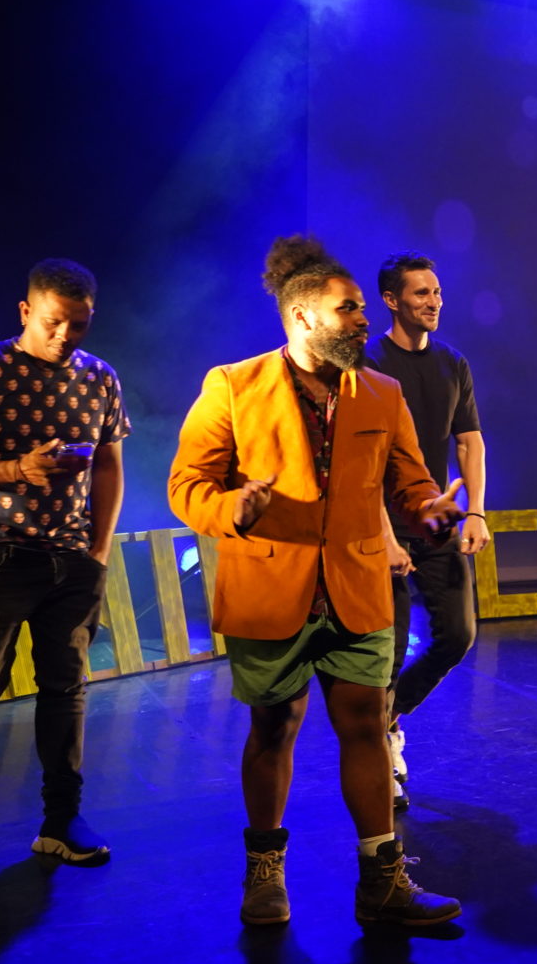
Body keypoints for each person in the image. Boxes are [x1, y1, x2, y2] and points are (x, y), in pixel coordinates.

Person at [169, 235, 464, 927]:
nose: (364, 321)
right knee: (274, 727)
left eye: (362, 308)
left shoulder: (382, 392)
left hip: (356, 589)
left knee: (365, 724)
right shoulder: (233, 386)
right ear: (302, 317)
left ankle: (382, 881)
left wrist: (429, 512)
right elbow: (187, 486)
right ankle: (264, 872)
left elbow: (411, 483)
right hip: (272, 590)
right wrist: (233, 508)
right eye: (349, 309)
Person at [0, 259, 129, 862]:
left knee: (66, 690)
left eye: (78, 324)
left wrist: (99, 548)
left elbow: (109, 465)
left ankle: (61, 819)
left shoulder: (100, 378)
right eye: (52, 322)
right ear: (25, 311)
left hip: (71, 559)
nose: (64, 335)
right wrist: (17, 468)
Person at [362, 252, 488, 807]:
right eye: (421, 293)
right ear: (392, 301)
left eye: (436, 292)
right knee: (386, 653)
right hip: (381, 526)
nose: (434, 301)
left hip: (436, 521)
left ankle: (389, 719)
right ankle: (379, 757)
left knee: (458, 636)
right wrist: (385, 537)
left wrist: (476, 510)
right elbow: (362, 460)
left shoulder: (452, 363)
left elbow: (469, 441)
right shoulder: (368, 361)